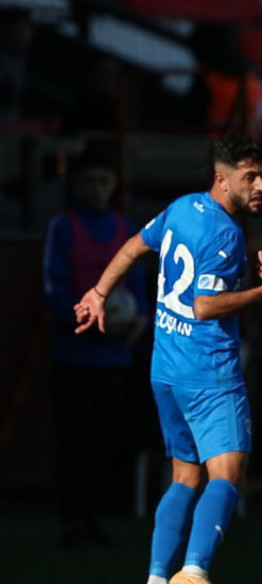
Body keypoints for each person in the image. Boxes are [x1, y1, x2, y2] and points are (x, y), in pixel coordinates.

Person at [73, 132, 262, 584]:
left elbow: (132, 247)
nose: (261, 186)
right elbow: (204, 305)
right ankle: (195, 570)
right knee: (227, 473)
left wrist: (100, 293)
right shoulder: (226, 235)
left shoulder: (182, 208)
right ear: (221, 178)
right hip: (208, 371)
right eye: (249, 176)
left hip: (165, 369)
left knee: (185, 475)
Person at [43, 143, 149, 549]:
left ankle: (95, 517)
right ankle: (73, 520)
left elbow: (137, 285)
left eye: (103, 182)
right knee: (75, 437)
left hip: (115, 352)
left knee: (106, 438)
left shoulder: (124, 229)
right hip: (75, 352)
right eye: (89, 182)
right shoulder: (64, 227)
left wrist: (137, 317)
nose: (96, 189)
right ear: (78, 184)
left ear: (114, 184)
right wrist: (86, 317)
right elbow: (53, 290)